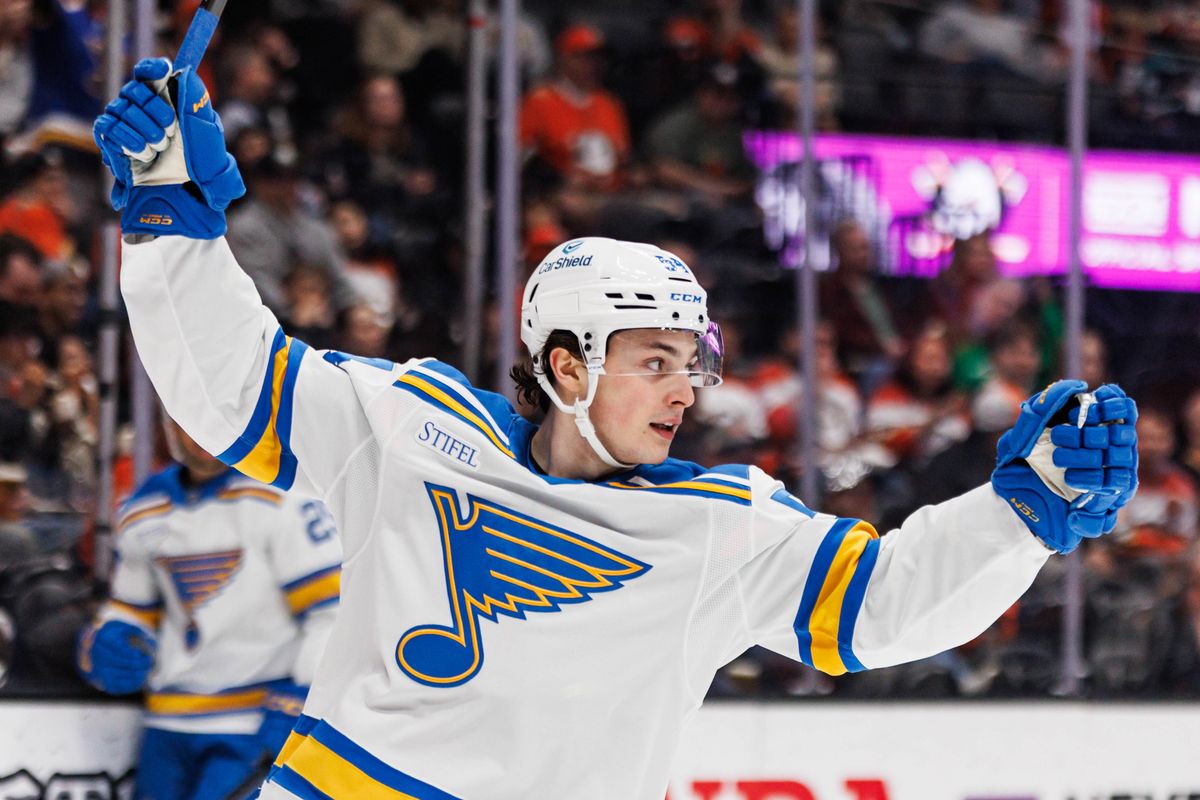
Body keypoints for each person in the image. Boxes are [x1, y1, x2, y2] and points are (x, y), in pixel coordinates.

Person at [96, 57, 1138, 799]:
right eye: (655, 361)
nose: (686, 390)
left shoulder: (721, 524)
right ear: (564, 364)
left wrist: (1023, 512)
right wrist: (167, 216)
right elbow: (231, 382)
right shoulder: (408, 424)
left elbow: (886, 603)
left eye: (694, 363)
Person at [76, 418, 341, 800]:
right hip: (167, 721)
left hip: (253, 724)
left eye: (214, 417)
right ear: (168, 423)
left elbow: (331, 611)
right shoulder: (144, 507)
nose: (202, 434)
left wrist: (302, 703)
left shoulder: (285, 496)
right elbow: (133, 610)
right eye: (188, 419)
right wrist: (110, 641)